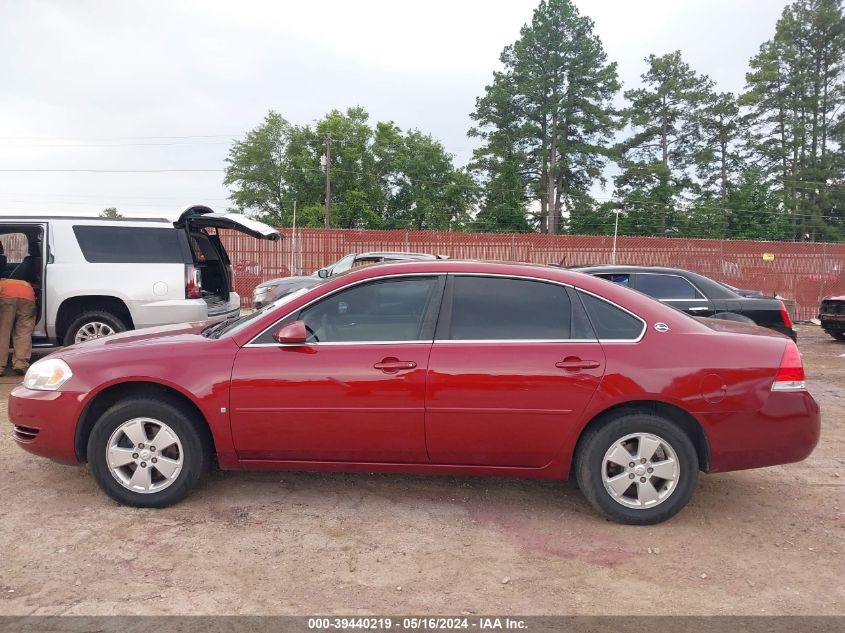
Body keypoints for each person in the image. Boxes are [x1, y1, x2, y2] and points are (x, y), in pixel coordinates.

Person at [0, 242, 36, 375]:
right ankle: (20, 363)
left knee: (3, 331)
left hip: (6, 295)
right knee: (23, 331)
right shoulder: (31, 263)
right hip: (27, 293)